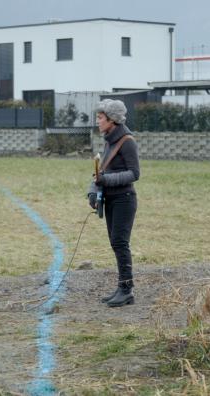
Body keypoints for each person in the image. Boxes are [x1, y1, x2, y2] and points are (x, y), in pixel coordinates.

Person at [88, 99, 140, 308]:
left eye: (100, 118)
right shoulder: (109, 140)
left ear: (112, 120)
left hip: (124, 200)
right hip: (111, 199)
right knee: (115, 243)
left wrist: (106, 181)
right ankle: (122, 287)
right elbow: (101, 171)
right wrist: (92, 192)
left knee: (120, 243)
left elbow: (135, 173)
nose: (97, 121)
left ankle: (126, 290)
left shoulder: (127, 141)